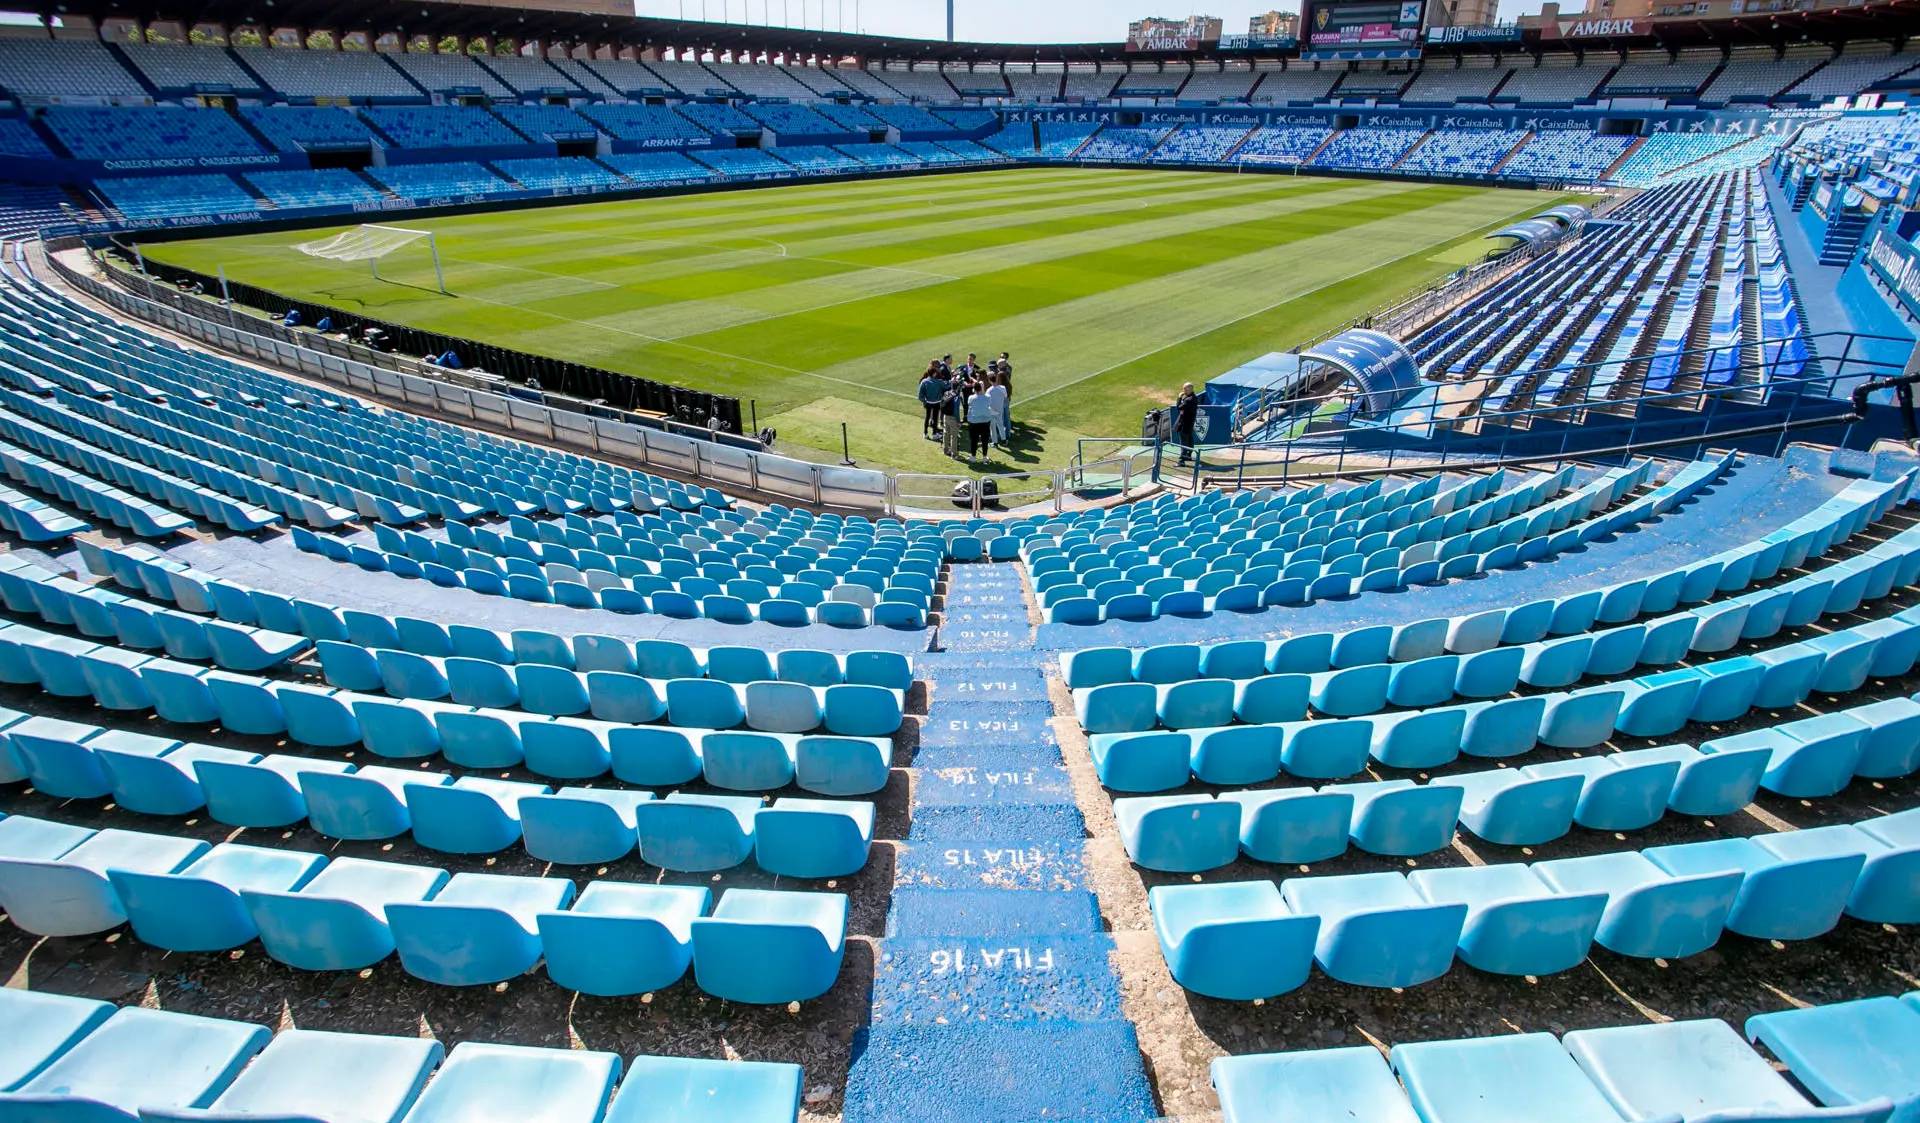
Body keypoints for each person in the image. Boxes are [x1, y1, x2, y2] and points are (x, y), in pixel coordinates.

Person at [917, 361, 948, 439]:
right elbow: (946, 387)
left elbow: (920, 396)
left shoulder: (924, 382)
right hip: (937, 403)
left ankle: (925, 433)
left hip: (928, 403)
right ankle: (934, 434)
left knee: (927, 417)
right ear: (934, 373)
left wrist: (925, 401)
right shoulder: (938, 382)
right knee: (935, 418)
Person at [1173, 382, 1199, 466]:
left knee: (1183, 442)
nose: (1183, 390)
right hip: (1190, 423)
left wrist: (1179, 398)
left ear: (1189, 389)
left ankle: (1181, 461)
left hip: (1184, 423)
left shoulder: (1189, 399)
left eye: (1185, 389)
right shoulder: (1194, 397)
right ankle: (1188, 455)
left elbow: (1179, 407)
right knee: (1190, 439)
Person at [966, 381, 994, 461]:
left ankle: (973, 457)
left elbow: (970, 405)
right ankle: (985, 457)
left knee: (974, 440)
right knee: (985, 440)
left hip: (974, 422)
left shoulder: (971, 397)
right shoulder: (988, 397)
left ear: (974, 389)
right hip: (985, 422)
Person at [986, 371, 1010, 448]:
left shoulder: (989, 390)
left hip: (992, 411)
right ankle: (1004, 440)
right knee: (1000, 425)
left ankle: (995, 442)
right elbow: (1005, 396)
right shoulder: (1003, 388)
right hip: (1000, 409)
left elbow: (987, 401)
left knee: (992, 427)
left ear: (990, 381)